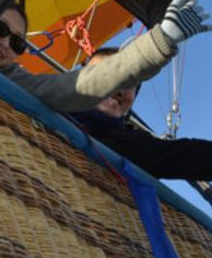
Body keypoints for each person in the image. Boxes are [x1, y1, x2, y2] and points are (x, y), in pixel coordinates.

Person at [0, 0, 211, 114]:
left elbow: (79, 85)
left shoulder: (14, 82)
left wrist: (160, 42)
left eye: (18, 44)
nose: (5, 43)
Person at [70, 49, 212, 180]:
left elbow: (185, 156)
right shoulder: (52, 102)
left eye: (130, 82)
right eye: (106, 74)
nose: (120, 88)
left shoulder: (130, 143)